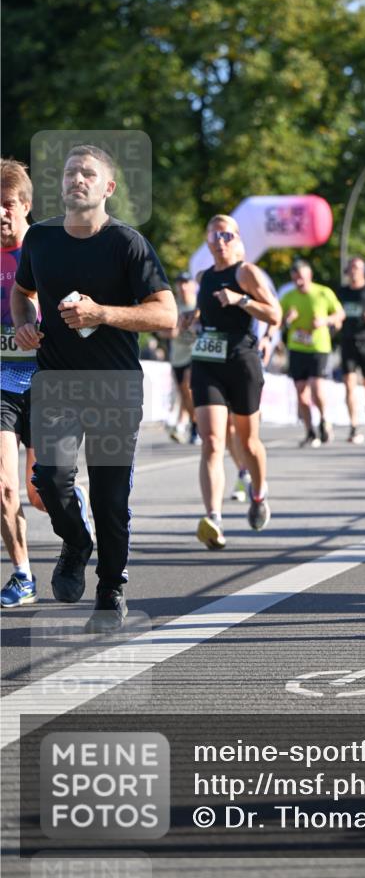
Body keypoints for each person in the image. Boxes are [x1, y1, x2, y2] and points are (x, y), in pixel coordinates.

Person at [11, 144, 176, 631]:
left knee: (109, 495)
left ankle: (110, 591)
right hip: (56, 381)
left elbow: (165, 314)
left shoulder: (127, 243)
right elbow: (24, 294)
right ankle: (77, 542)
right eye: (68, 173)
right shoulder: (39, 239)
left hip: (114, 387)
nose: (75, 179)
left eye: (87, 173)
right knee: (50, 481)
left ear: (108, 187)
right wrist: (25, 324)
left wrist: (102, 313)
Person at [190, 214, 281, 549]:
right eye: (214, 236)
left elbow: (274, 314)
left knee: (249, 442)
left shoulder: (246, 272)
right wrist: (192, 317)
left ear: (238, 238)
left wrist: (241, 299)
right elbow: (207, 310)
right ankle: (213, 517)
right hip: (207, 362)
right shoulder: (202, 277)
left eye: (226, 235)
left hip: (242, 361)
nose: (220, 241)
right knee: (212, 440)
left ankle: (258, 493)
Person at [1, 159, 48, 607]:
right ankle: (22, 574)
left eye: (7, 205)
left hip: (42, 381)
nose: (0, 214)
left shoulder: (46, 248)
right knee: (3, 485)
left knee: (41, 493)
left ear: (26, 206)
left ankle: (78, 513)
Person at [280, 260, 345, 447]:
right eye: (295, 278)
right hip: (297, 347)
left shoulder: (323, 292)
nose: (298, 281)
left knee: (317, 389)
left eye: (301, 277)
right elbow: (277, 320)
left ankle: (325, 420)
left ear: (309, 276)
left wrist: (324, 321)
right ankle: (310, 432)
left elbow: (340, 314)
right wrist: (287, 319)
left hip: (319, 347)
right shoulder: (288, 296)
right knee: (301, 393)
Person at [337, 256, 365, 443]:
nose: (353, 271)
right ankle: (354, 426)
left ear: (364, 270)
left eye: (357, 267)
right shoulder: (341, 292)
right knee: (349, 384)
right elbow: (335, 313)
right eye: (351, 268)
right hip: (347, 341)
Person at [163, 271, 198, 444]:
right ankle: (194, 424)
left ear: (192, 285)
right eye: (180, 283)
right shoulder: (172, 306)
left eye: (186, 282)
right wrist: (172, 331)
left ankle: (194, 425)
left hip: (196, 353)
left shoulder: (199, 304)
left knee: (188, 384)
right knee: (184, 394)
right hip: (178, 356)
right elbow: (162, 329)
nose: (183, 287)